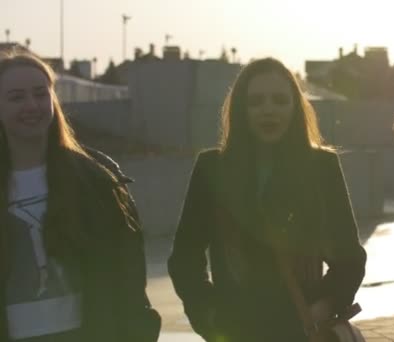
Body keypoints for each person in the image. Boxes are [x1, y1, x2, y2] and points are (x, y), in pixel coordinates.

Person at [168, 57, 367, 341]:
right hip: (237, 329)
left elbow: (349, 257)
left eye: (279, 100)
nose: (268, 110)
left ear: (295, 107)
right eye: (256, 101)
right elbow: (185, 257)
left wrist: (324, 306)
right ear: (242, 109)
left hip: (301, 328)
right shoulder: (212, 168)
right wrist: (208, 315)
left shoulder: (321, 167)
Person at [0, 52, 160, 342]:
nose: (31, 105)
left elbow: (128, 277)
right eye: (16, 97)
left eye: (40, 94)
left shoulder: (96, 179)